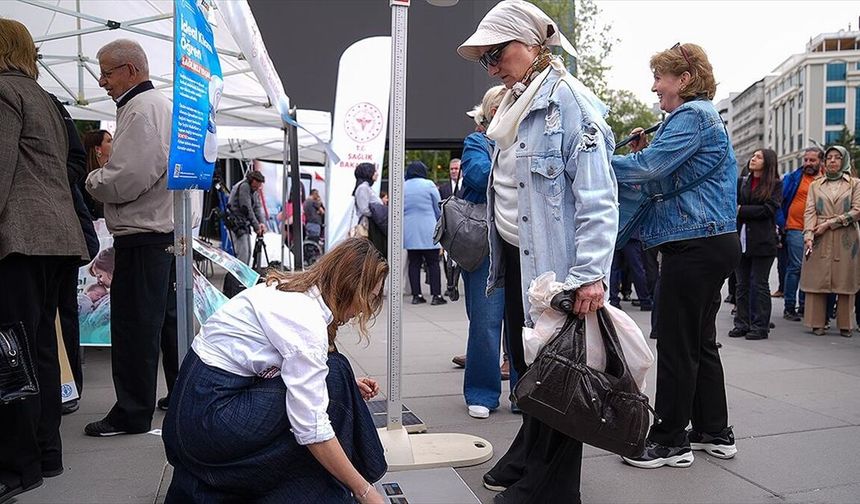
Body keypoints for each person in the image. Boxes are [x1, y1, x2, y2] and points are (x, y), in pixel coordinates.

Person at [458, 1, 618, 501]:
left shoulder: (568, 101)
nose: (492, 66)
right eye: (486, 59)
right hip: (515, 257)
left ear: (530, 44)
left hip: (554, 266)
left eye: (497, 53)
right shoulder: (514, 102)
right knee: (530, 369)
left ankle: (550, 489)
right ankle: (529, 454)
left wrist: (590, 274)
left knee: (560, 378)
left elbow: (597, 194)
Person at [162, 237, 387, 503]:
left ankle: (345, 482)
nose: (365, 310)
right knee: (332, 380)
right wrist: (364, 491)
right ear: (349, 287)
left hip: (194, 411)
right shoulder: (305, 318)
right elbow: (311, 429)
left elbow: (272, 361)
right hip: (207, 421)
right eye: (368, 299)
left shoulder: (290, 292)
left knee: (335, 375)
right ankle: (340, 488)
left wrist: (342, 385)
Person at [612, 42, 741, 468]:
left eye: (659, 78)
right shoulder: (700, 118)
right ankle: (713, 432)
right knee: (699, 340)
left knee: (675, 339)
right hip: (711, 241)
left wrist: (597, 159)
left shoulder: (692, 115)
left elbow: (649, 170)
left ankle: (669, 441)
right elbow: (661, 168)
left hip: (695, 244)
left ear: (684, 80)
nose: (654, 88)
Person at [0, 19, 89, 501]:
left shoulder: (3, 92)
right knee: (39, 349)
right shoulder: (44, 97)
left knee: (10, 351)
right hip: (57, 237)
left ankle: (18, 466)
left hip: (21, 238)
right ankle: (45, 453)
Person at [84, 39, 180, 436]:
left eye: (107, 72)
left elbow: (128, 178)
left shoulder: (142, 109)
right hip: (162, 230)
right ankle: (176, 395)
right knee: (165, 324)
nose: (102, 81)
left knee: (135, 326)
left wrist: (93, 181)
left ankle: (132, 411)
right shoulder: (156, 106)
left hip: (144, 232)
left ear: (130, 70)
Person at [457, 85, 509, 419]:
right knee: (486, 320)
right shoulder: (478, 141)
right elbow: (477, 175)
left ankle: (524, 392)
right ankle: (482, 392)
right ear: (490, 111)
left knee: (523, 320)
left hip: (520, 239)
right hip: (486, 241)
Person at [51, 95, 101, 416]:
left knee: (60, 314)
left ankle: (67, 387)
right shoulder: (53, 106)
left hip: (57, 233)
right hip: (62, 232)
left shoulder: (50, 104)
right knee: (59, 314)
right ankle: (66, 388)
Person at [800, 145, 860, 338]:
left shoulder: (854, 184)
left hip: (846, 237)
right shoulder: (815, 185)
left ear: (844, 161)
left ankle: (845, 325)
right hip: (819, 235)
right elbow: (809, 211)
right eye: (829, 158)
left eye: (837, 157)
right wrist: (808, 235)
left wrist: (831, 223)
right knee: (817, 279)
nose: (832, 161)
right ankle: (816, 323)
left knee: (845, 280)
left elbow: (857, 211)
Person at [729, 149, 782, 341]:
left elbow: (768, 210)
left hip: (763, 242)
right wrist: (740, 210)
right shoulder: (741, 182)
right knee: (741, 285)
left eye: (759, 157)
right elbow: (730, 205)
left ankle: (760, 326)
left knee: (759, 284)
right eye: (753, 156)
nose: (753, 159)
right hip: (740, 240)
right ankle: (741, 323)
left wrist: (741, 210)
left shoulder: (775, 184)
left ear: (767, 162)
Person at [778, 147, 825, 321]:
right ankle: (789, 306)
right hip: (795, 228)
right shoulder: (793, 178)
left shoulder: (824, 180)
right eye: (806, 160)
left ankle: (805, 306)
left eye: (812, 160)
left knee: (811, 268)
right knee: (796, 267)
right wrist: (783, 223)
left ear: (820, 161)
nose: (808, 163)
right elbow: (778, 201)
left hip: (818, 229)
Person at [403, 161, 445, 306]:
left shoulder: (403, 185)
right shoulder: (429, 184)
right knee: (433, 263)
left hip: (409, 230)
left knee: (414, 263)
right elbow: (438, 206)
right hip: (428, 229)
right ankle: (436, 295)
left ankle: (417, 295)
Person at [227, 170, 266, 265]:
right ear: (251, 181)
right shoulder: (244, 187)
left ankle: (243, 277)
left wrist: (262, 223)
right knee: (243, 253)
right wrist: (257, 226)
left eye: (258, 186)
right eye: (255, 186)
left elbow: (257, 207)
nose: (257, 188)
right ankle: (239, 277)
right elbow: (247, 208)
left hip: (243, 223)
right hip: (237, 223)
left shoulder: (254, 190)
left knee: (248, 252)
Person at [353, 163, 387, 259]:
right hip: (368, 224)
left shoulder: (365, 187)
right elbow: (364, 209)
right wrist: (378, 213)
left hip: (371, 222)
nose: (377, 174)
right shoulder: (363, 188)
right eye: (374, 171)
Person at [82, 129, 113, 220]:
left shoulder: (109, 171)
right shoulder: (84, 176)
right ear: (97, 149)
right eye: (109, 141)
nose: (113, 143)